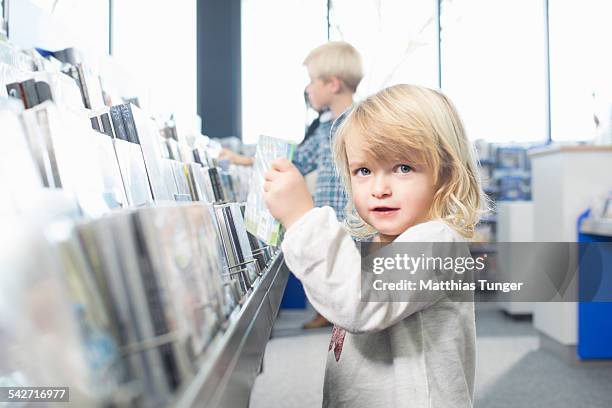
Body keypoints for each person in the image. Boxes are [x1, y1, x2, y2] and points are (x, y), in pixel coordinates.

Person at [263, 84, 484, 407]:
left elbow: (358, 301)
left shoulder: (436, 243)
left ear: (446, 175)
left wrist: (301, 218)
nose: (379, 188)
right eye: (363, 171)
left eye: (403, 168)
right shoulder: (387, 241)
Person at [222, 41, 363, 329]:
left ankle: (336, 314)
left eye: (312, 81)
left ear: (333, 84)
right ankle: (330, 312)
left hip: (352, 218)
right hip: (328, 217)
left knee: (347, 272)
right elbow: (297, 158)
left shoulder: (359, 123)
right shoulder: (327, 127)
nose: (308, 89)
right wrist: (247, 160)